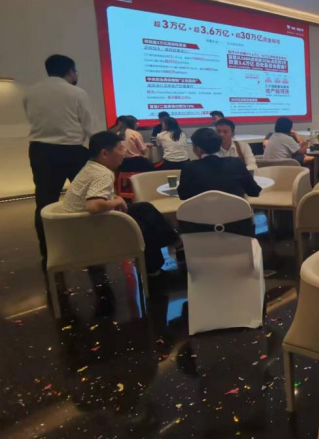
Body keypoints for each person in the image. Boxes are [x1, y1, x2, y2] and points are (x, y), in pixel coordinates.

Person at [62, 131, 178, 274]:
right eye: (119, 149)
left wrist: (116, 200)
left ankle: (170, 243)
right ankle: (158, 263)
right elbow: (94, 206)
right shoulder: (103, 173)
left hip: (76, 225)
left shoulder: (91, 167)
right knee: (143, 227)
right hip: (90, 228)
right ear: (105, 153)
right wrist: (118, 201)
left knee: (144, 209)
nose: (123, 153)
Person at [23, 55, 97, 262]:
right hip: (73, 151)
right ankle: (93, 246)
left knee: (44, 202)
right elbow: (90, 128)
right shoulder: (76, 93)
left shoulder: (30, 93)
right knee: (89, 199)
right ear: (71, 72)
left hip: (40, 151)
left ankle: (48, 252)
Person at [177, 128, 262, 201]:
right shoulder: (236, 163)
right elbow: (254, 191)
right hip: (236, 214)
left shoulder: (189, 168)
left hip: (202, 214)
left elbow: (183, 196)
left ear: (198, 149)